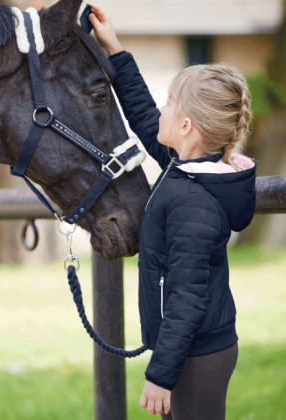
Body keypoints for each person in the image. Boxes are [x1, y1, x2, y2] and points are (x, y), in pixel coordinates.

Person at [88, 4, 257, 419]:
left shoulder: (193, 201)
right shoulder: (185, 168)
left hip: (195, 354)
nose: (161, 109)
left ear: (186, 128)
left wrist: (161, 374)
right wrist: (114, 49)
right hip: (189, 348)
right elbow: (145, 116)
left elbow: (187, 297)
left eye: (170, 103)